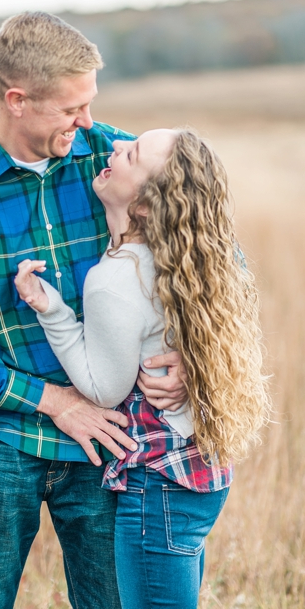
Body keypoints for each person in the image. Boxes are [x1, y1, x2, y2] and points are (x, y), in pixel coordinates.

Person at [0, 12, 187, 608]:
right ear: (17, 99)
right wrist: (55, 401)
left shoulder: (109, 159)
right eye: (70, 109)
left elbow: (211, 249)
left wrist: (191, 352)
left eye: (89, 104)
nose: (85, 122)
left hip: (109, 445)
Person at [14, 128, 270, 607]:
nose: (114, 147)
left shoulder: (115, 279)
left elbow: (102, 390)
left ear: (149, 205)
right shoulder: (189, 261)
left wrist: (52, 311)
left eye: (130, 154)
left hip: (160, 489)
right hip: (198, 475)